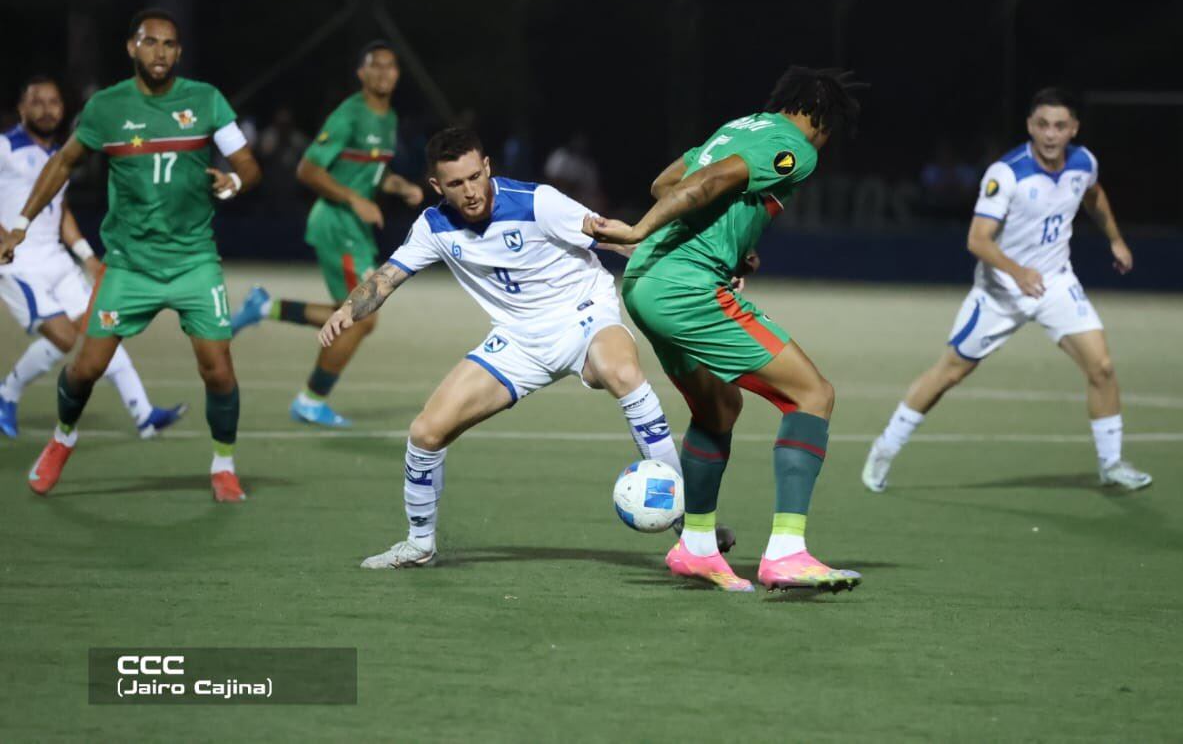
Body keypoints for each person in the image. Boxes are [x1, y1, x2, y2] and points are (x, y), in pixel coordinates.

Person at [319, 127, 704, 569]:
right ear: (437, 186)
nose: (470, 191)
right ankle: (420, 544)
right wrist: (347, 310)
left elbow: (621, 239)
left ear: (487, 167)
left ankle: (691, 526)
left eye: (474, 177)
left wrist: (698, 271)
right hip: (519, 340)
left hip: (585, 316)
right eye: (456, 183)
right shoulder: (433, 226)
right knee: (426, 433)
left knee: (623, 374)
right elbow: (387, 278)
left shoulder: (538, 202)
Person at [589, 66, 866, 593]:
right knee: (812, 395)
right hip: (685, 287)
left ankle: (696, 547)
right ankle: (786, 554)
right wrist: (637, 228)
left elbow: (666, 183)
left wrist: (731, 244)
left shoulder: (740, 127)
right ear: (821, 118)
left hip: (646, 282)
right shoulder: (794, 146)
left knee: (718, 408)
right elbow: (707, 183)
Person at [0, 8, 262, 502]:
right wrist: (19, 225)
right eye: (150, 42)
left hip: (193, 261)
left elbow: (248, 164)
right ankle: (63, 437)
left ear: (178, 52)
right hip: (128, 264)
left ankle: (223, 464)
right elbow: (63, 164)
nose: (159, 52)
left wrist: (234, 181)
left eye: (169, 44)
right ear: (131, 48)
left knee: (219, 369)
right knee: (85, 369)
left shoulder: (205, 100)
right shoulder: (106, 107)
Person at [862, 88, 1152, 494]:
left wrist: (1116, 240)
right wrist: (1017, 273)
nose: (1050, 134)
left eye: (1060, 126)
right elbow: (977, 240)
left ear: (1074, 128)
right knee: (949, 372)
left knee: (1101, 367)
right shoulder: (1007, 173)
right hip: (1000, 291)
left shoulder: (1083, 162)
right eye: (1042, 125)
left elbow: (1094, 194)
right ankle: (884, 449)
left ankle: (1112, 464)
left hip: (1055, 283)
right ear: (1030, 126)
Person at [228, 43, 423, 427]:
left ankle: (265, 307)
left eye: (391, 66)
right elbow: (308, 169)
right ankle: (310, 401)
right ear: (361, 73)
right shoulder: (349, 115)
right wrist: (355, 200)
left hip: (354, 228)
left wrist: (399, 186)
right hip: (337, 224)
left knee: (350, 313)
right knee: (362, 317)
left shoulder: (388, 117)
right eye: (376, 66)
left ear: (398, 74)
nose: (384, 72)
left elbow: (373, 172)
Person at [0, 77, 185, 439]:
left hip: (56, 259)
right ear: (21, 108)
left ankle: (144, 415)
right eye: (37, 102)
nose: (47, 110)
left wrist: (86, 256)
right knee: (64, 338)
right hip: (18, 264)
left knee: (104, 326)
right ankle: (7, 393)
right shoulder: (5, 146)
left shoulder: (61, 155)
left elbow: (60, 211)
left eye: (54, 102)